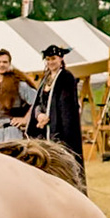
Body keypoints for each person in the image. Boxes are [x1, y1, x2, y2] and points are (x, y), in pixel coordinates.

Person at [26, 44, 84, 183]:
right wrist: (39, 115)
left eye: (53, 58)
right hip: (43, 128)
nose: (51, 62)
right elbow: (39, 102)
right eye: (48, 59)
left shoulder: (66, 77)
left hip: (59, 130)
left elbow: (66, 107)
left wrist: (50, 118)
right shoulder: (46, 78)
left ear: (60, 59)